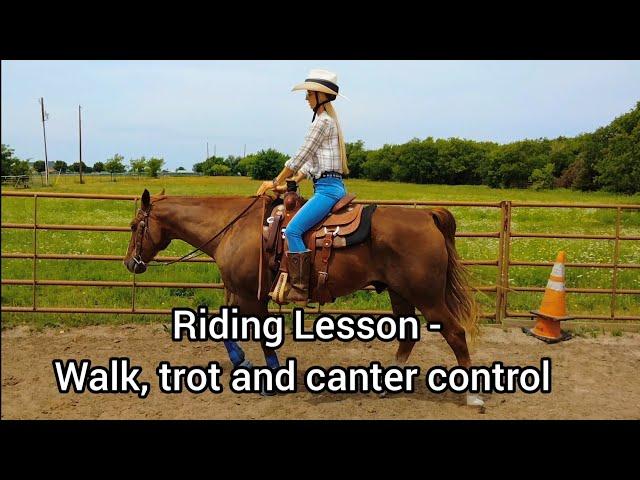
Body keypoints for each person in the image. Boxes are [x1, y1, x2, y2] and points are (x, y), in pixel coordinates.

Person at [256, 68, 349, 305]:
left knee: (294, 230)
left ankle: (300, 288)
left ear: (320, 96)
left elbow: (299, 157)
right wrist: (294, 181)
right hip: (330, 186)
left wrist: (274, 182)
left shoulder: (321, 123)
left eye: (309, 94)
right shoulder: (329, 123)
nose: (306, 98)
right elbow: (310, 164)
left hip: (327, 190)